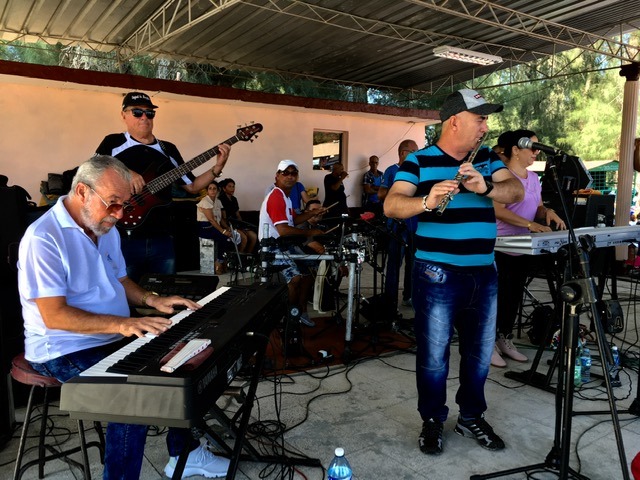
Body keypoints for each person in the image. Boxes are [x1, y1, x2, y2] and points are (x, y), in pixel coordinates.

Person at [17, 155, 230, 479]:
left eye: (124, 204)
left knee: (177, 364)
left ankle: (184, 456)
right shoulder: (43, 238)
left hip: (110, 336)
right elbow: (54, 315)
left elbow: (119, 279)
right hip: (61, 348)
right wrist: (123, 323)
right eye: (113, 204)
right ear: (83, 192)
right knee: (132, 398)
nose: (120, 214)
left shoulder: (104, 226)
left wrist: (151, 299)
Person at [384, 88, 524, 455]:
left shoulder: (489, 161)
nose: (486, 125)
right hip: (437, 275)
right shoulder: (418, 161)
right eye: (480, 118)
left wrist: (487, 186)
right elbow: (392, 206)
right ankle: (432, 419)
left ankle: (470, 416)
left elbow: (516, 192)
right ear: (455, 121)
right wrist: (426, 201)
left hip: (483, 272)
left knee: (478, 355)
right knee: (434, 356)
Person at [95, 91, 231, 282]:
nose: (144, 117)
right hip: (124, 236)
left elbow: (191, 186)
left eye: (149, 113)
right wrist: (127, 172)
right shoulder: (113, 142)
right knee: (127, 295)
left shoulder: (168, 149)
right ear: (123, 115)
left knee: (166, 293)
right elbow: (93, 172)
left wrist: (217, 167)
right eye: (137, 112)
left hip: (162, 236)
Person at [491, 130, 566, 367]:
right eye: (532, 147)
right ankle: (487, 343)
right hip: (500, 246)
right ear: (515, 150)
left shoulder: (533, 178)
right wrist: (530, 224)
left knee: (513, 296)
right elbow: (497, 209)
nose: (536, 152)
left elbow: (538, 206)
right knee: (497, 297)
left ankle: (504, 337)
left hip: (523, 247)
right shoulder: (503, 177)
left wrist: (547, 212)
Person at [259, 160, 328, 327]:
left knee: (308, 272)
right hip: (272, 246)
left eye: (293, 173)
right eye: (285, 173)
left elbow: (293, 221)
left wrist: (312, 212)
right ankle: (289, 316)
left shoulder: (286, 196)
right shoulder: (276, 196)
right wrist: (311, 232)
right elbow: (283, 229)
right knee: (295, 278)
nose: (290, 176)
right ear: (277, 175)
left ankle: (301, 311)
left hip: (283, 243)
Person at [378, 139, 419, 310]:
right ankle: (390, 301)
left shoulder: (418, 171)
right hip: (397, 226)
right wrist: (401, 190)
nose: (417, 154)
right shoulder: (391, 171)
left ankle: (408, 296)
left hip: (416, 225)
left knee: (414, 264)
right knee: (394, 264)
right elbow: (380, 194)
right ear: (403, 153)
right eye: (414, 151)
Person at [197, 181, 243, 274]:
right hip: (205, 228)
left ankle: (226, 262)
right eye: (210, 188)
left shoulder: (218, 201)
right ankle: (219, 262)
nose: (212, 191)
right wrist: (223, 231)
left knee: (231, 237)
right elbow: (211, 220)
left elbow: (220, 218)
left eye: (214, 188)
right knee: (224, 238)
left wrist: (227, 228)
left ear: (218, 190)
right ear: (207, 191)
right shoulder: (205, 201)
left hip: (214, 227)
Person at [218, 178, 258, 253]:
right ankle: (238, 259)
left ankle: (247, 257)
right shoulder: (220, 200)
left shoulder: (234, 199)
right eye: (229, 186)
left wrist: (242, 225)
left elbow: (238, 214)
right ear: (224, 188)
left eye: (233, 186)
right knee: (244, 238)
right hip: (227, 226)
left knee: (253, 236)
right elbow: (222, 217)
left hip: (236, 224)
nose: (232, 188)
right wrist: (227, 228)